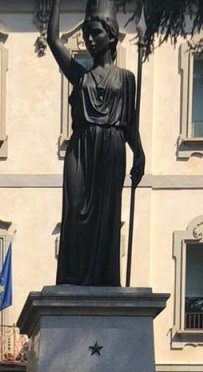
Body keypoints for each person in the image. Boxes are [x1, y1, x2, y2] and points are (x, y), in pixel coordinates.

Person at [48, 0, 145, 286]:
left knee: (106, 219)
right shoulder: (80, 75)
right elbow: (53, 40)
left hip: (112, 149)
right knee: (76, 210)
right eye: (87, 32)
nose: (89, 38)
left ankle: (103, 281)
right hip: (81, 149)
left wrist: (139, 154)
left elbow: (130, 124)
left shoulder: (127, 79)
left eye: (96, 32)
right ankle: (73, 279)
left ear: (112, 35)